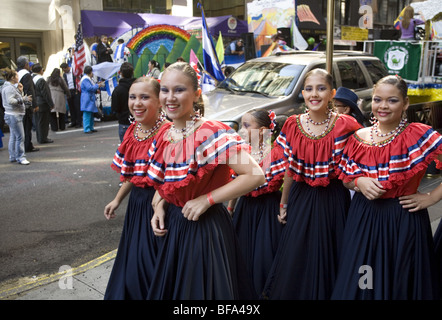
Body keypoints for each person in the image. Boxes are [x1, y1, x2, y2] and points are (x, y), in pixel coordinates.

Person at [149, 62, 265, 299]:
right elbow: (168, 182)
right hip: (175, 226)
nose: (170, 97)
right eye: (165, 90)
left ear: (196, 94)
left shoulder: (212, 131)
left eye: (179, 90)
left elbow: (255, 175)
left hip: (205, 229)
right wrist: (159, 206)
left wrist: (207, 199)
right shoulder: (164, 133)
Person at [331, 75, 442, 300]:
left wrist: (431, 197)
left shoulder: (419, 135)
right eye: (377, 99)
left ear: (405, 104)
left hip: (403, 219)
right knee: (364, 277)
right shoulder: (358, 138)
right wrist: (358, 182)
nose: (383, 106)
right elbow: (345, 179)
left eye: (392, 101)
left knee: (399, 280)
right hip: (363, 219)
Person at [262, 68, 363, 300]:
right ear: (303, 93)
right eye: (308, 89)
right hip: (301, 197)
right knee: (297, 253)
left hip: (334, 198)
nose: (314, 94)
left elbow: (361, 162)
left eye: (321, 88)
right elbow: (289, 168)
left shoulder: (346, 125)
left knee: (332, 253)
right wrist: (283, 202)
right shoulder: (291, 124)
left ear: (332, 93)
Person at [104, 77, 170, 300]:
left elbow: (175, 180)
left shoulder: (169, 132)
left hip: (163, 206)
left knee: (154, 265)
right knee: (133, 264)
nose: (137, 103)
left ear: (160, 101)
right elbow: (134, 174)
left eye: (144, 97)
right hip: (137, 206)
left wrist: (159, 205)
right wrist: (117, 200)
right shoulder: (133, 131)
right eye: (133, 97)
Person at [228, 109, 286, 296]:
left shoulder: (275, 152)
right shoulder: (242, 153)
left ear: (262, 131)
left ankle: (264, 291)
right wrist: (230, 207)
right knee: (243, 252)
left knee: (264, 254)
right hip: (245, 208)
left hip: (268, 208)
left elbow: (287, 181)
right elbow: (237, 183)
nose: (242, 131)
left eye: (246, 126)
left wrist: (283, 206)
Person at [0, 68, 32, 165]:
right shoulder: (9, 88)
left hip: (11, 114)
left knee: (14, 136)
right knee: (20, 137)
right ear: (13, 78)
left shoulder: (7, 87)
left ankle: (13, 156)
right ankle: (21, 157)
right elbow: (11, 101)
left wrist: (20, 92)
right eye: (17, 76)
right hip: (14, 115)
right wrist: (23, 98)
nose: (18, 77)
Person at [16, 56, 39, 152]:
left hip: (19, 103)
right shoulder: (26, 75)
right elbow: (30, 90)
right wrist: (33, 104)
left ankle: (25, 145)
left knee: (22, 127)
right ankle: (28, 145)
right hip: (26, 104)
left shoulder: (17, 74)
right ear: (25, 65)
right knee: (27, 125)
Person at [111, 62, 135, 143]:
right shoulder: (138, 87)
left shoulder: (117, 90)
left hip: (124, 122)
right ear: (133, 72)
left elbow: (114, 108)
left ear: (120, 73)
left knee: (125, 150)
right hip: (138, 122)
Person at [32, 63, 54, 144]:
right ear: (40, 70)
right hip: (42, 103)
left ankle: (40, 137)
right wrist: (51, 103)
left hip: (35, 102)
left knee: (38, 122)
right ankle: (43, 138)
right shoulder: (40, 80)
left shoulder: (31, 78)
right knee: (44, 122)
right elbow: (46, 93)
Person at [80, 66, 105, 134]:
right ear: (90, 72)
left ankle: (90, 127)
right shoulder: (85, 79)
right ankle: (87, 128)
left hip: (89, 97)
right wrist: (98, 86)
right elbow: (89, 88)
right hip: (87, 98)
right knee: (87, 113)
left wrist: (96, 90)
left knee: (91, 113)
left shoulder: (88, 79)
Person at [60, 62, 81, 128]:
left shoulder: (75, 72)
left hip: (75, 91)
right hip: (69, 91)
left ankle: (79, 122)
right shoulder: (64, 75)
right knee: (71, 108)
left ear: (67, 67)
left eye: (65, 69)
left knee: (77, 107)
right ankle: (73, 121)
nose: (64, 71)